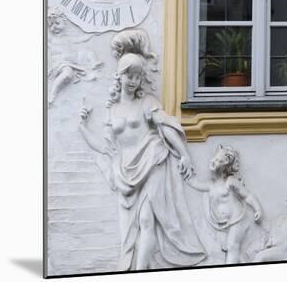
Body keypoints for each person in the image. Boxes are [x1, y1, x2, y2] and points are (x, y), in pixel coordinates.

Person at [79, 29, 206, 271]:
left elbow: (166, 127)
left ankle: (140, 270)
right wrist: (83, 127)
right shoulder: (112, 110)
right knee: (128, 228)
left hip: (152, 158)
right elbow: (104, 146)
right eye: (129, 75)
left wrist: (184, 154)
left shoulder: (147, 102)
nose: (134, 80)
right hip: (125, 169)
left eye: (138, 76)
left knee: (148, 218)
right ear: (121, 76)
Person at [187, 144, 263, 264]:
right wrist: (186, 169)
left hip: (238, 220)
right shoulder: (210, 185)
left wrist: (258, 209)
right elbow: (194, 183)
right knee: (230, 248)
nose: (213, 161)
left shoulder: (230, 181)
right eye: (214, 158)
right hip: (223, 223)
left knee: (233, 245)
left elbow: (247, 196)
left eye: (218, 160)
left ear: (225, 166)